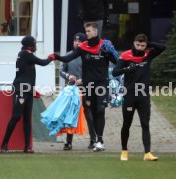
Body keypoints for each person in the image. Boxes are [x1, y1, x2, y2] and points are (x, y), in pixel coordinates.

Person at [54, 22, 117, 151]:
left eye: (89, 31)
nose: (87, 33)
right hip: (84, 86)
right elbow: (66, 62)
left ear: (95, 31)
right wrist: (55, 57)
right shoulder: (82, 49)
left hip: (100, 84)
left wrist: (109, 53)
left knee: (98, 111)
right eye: (86, 31)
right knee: (84, 112)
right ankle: (81, 141)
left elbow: (116, 61)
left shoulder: (104, 45)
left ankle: (98, 140)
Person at [112, 34, 166, 161]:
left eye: (143, 45)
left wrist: (149, 44)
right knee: (127, 124)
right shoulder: (126, 56)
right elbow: (115, 72)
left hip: (143, 96)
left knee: (145, 124)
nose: (140, 48)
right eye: (138, 45)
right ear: (133, 43)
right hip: (129, 95)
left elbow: (163, 47)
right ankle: (124, 151)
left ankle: (147, 153)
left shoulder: (148, 55)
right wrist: (127, 69)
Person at [1, 35, 54, 153]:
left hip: (27, 90)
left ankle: (27, 147)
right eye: (35, 44)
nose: (36, 46)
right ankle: (4, 144)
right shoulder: (26, 54)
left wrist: (32, 90)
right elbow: (43, 62)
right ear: (31, 45)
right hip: (21, 90)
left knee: (27, 118)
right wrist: (51, 57)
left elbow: (26, 75)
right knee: (16, 116)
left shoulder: (25, 55)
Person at [60, 32, 97, 150]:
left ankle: (93, 140)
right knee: (71, 114)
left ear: (84, 43)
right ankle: (69, 142)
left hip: (86, 88)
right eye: (75, 41)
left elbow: (94, 72)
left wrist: (83, 80)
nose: (77, 43)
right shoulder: (68, 55)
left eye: (79, 41)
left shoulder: (88, 55)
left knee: (88, 114)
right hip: (72, 88)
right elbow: (61, 71)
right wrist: (68, 76)